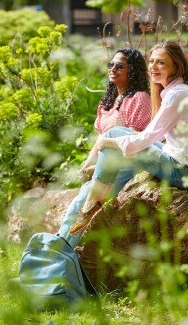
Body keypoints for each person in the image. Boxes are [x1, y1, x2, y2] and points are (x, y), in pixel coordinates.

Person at [70, 41, 188, 235]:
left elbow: (147, 137)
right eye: (152, 61)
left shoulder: (176, 95)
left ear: (176, 66)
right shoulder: (175, 92)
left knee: (114, 135)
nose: (153, 67)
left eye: (161, 63)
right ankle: (94, 200)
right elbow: (156, 136)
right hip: (184, 163)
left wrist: (109, 143)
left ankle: (91, 204)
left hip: (187, 171)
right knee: (119, 135)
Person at [58, 48, 151, 246]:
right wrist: (87, 165)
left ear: (132, 70)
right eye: (111, 65)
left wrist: (98, 167)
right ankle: (61, 249)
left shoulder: (139, 98)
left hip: (125, 166)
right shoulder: (108, 101)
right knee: (79, 201)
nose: (113, 69)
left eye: (120, 66)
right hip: (104, 166)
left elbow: (132, 141)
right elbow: (100, 141)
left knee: (84, 200)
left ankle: (62, 251)